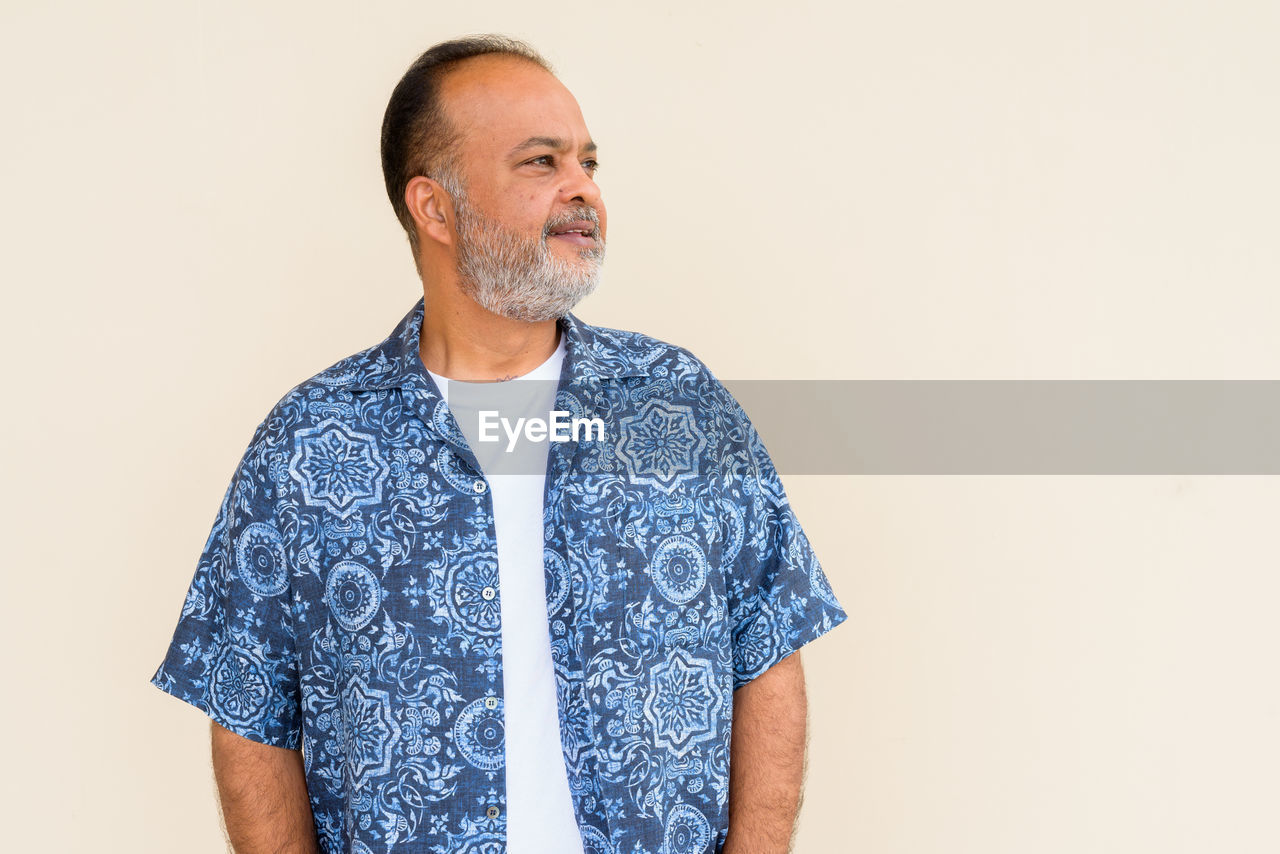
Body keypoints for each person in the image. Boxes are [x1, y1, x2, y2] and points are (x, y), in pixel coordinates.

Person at [150, 33, 849, 854]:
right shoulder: (310, 444)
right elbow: (247, 704)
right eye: (541, 163)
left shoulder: (676, 405)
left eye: (588, 161)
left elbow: (767, 649)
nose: (582, 188)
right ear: (434, 207)